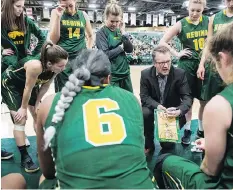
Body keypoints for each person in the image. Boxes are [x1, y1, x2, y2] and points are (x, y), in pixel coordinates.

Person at [36, 49, 154, 189]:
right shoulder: (133, 100)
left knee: (38, 178)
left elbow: (48, 171)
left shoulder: (49, 104)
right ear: (108, 78)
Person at [154, 22, 233, 189]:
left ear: (223, 58)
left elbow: (210, 170)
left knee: (162, 161)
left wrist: (213, 148)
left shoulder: (220, 105)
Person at [1, 41, 68, 173]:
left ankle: (43, 148)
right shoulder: (35, 66)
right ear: (49, 64)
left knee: (37, 114)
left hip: (30, 86)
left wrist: (37, 103)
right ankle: (25, 158)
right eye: (61, 66)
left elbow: (45, 86)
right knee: (20, 119)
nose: (63, 69)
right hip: (11, 84)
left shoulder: (53, 68)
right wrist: (23, 108)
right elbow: (27, 88)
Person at [159, 0, 208, 144]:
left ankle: (201, 130)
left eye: (198, 11)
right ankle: (187, 130)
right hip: (186, 66)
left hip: (203, 65)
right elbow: (163, 41)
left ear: (203, 10)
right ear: (188, 8)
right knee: (188, 102)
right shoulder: (181, 24)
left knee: (204, 101)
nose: (194, 13)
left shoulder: (208, 21)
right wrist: (177, 53)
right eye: (192, 10)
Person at [140, 45, 193, 152]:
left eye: (168, 61)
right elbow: (144, 97)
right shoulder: (145, 74)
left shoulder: (180, 74)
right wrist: (158, 106)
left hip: (172, 113)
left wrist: (179, 111)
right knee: (145, 112)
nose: (166, 66)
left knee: (167, 146)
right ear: (154, 63)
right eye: (161, 63)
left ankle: (168, 136)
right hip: (154, 108)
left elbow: (187, 98)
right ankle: (149, 143)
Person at [196, 0, 233, 137]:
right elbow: (209, 43)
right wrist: (201, 64)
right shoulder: (214, 18)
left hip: (230, 66)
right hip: (215, 65)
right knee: (207, 101)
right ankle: (202, 131)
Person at [49, 0, 94, 92]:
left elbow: (90, 36)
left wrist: (88, 51)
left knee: (81, 89)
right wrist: (58, 17)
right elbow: (53, 40)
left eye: (71, 6)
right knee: (63, 92)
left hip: (80, 59)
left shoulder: (83, 15)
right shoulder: (55, 12)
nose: (68, 9)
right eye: (65, 7)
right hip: (63, 59)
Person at [96, 0, 134, 92]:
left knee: (127, 100)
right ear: (106, 18)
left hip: (125, 72)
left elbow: (129, 50)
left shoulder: (120, 31)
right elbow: (105, 54)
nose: (114, 24)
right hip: (111, 75)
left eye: (117, 21)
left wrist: (123, 32)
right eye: (112, 21)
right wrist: (120, 48)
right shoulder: (101, 33)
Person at [1, 0, 46, 73]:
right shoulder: (1, 21)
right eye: (18, 6)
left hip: (25, 60)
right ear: (8, 6)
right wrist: (1, 51)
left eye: (22, 7)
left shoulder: (26, 21)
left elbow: (42, 37)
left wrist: (34, 53)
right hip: (8, 63)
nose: (21, 9)